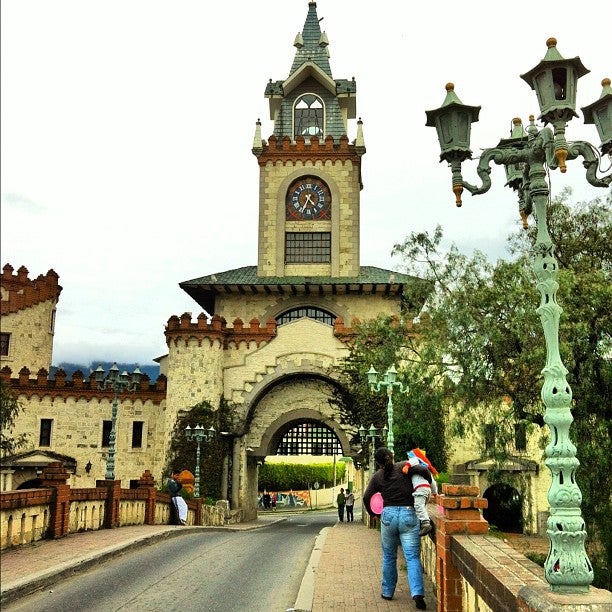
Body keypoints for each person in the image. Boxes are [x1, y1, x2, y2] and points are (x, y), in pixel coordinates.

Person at [363, 447, 430, 610]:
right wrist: (427, 478)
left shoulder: (377, 476)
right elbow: (423, 469)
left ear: (378, 463)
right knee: (412, 557)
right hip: (409, 514)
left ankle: (387, 592)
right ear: (392, 457)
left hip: (388, 516)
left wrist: (374, 514)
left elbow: (366, 497)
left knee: (388, 556)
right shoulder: (403, 466)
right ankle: (418, 594)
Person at [402, 448, 439, 536]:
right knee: (422, 507)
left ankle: (426, 524)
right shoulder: (426, 470)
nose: (409, 458)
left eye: (409, 456)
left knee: (418, 505)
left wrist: (406, 466)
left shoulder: (415, 460)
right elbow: (433, 482)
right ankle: (423, 523)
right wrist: (435, 493)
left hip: (420, 488)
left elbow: (412, 461)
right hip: (427, 490)